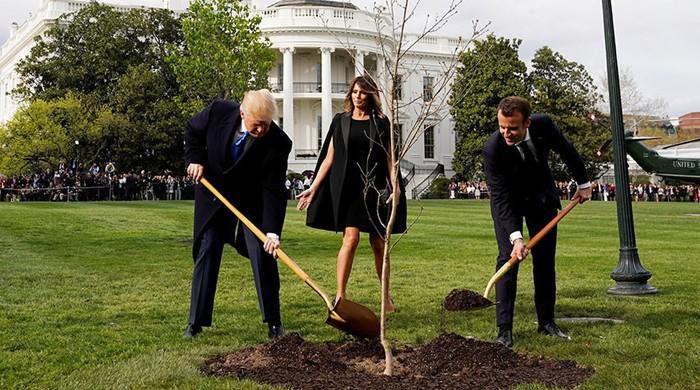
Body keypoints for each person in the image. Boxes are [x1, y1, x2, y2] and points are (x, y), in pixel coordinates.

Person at [183, 89, 292, 339]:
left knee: (262, 251)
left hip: (250, 200)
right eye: (256, 125)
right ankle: (195, 322)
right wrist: (195, 159)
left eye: (266, 125)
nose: (262, 131)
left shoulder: (279, 142)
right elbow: (193, 130)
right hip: (214, 194)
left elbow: (274, 189)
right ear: (243, 113)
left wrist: (272, 232)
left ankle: (274, 322)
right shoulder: (218, 111)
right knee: (208, 247)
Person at [483, 96, 591, 348]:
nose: (506, 133)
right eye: (501, 127)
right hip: (509, 202)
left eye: (512, 128)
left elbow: (567, 150)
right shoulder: (493, 149)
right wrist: (516, 237)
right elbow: (499, 197)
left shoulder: (544, 125)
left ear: (527, 123)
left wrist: (583, 183)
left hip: (541, 198)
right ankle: (504, 330)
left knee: (544, 261)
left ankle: (546, 322)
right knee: (507, 259)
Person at [296, 75, 407, 312]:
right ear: (351, 94)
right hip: (349, 190)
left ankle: (386, 297)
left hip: (375, 189)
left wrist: (395, 186)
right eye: (355, 92)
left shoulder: (381, 122)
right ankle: (340, 296)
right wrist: (313, 187)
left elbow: (389, 157)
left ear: (370, 95)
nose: (358, 96)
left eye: (363, 92)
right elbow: (329, 157)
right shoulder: (341, 121)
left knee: (379, 244)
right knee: (351, 239)